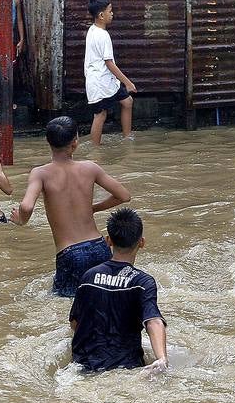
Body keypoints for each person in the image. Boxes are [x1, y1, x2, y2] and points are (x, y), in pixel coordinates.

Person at [10, 115, 132, 297]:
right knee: (104, 299)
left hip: (71, 253)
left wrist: (21, 220)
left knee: (69, 306)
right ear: (75, 142)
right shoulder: (90, 168)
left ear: (48, 141)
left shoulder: (40, 173)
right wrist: (93, 208)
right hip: (100, 247)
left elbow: (26, 207)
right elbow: (124, 196)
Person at [69, 208, 168, 375]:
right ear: (141, 242)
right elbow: (153, 321)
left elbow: (74, 324)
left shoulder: (88, 277)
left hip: (83, 368)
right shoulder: (142, 282)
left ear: (108, 241)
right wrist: (161, 358)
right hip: (125, 369)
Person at [85, 0, 137, 145]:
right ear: (101, 15)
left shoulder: (92, 30)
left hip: (106, 81)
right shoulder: (103, 35)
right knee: (100, 115)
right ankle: (95, 149)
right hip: (99, 83)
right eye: (110, 11)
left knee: (127, 101)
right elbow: (109, 63)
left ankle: (127, 138)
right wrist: (127, 82)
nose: (112, 13)